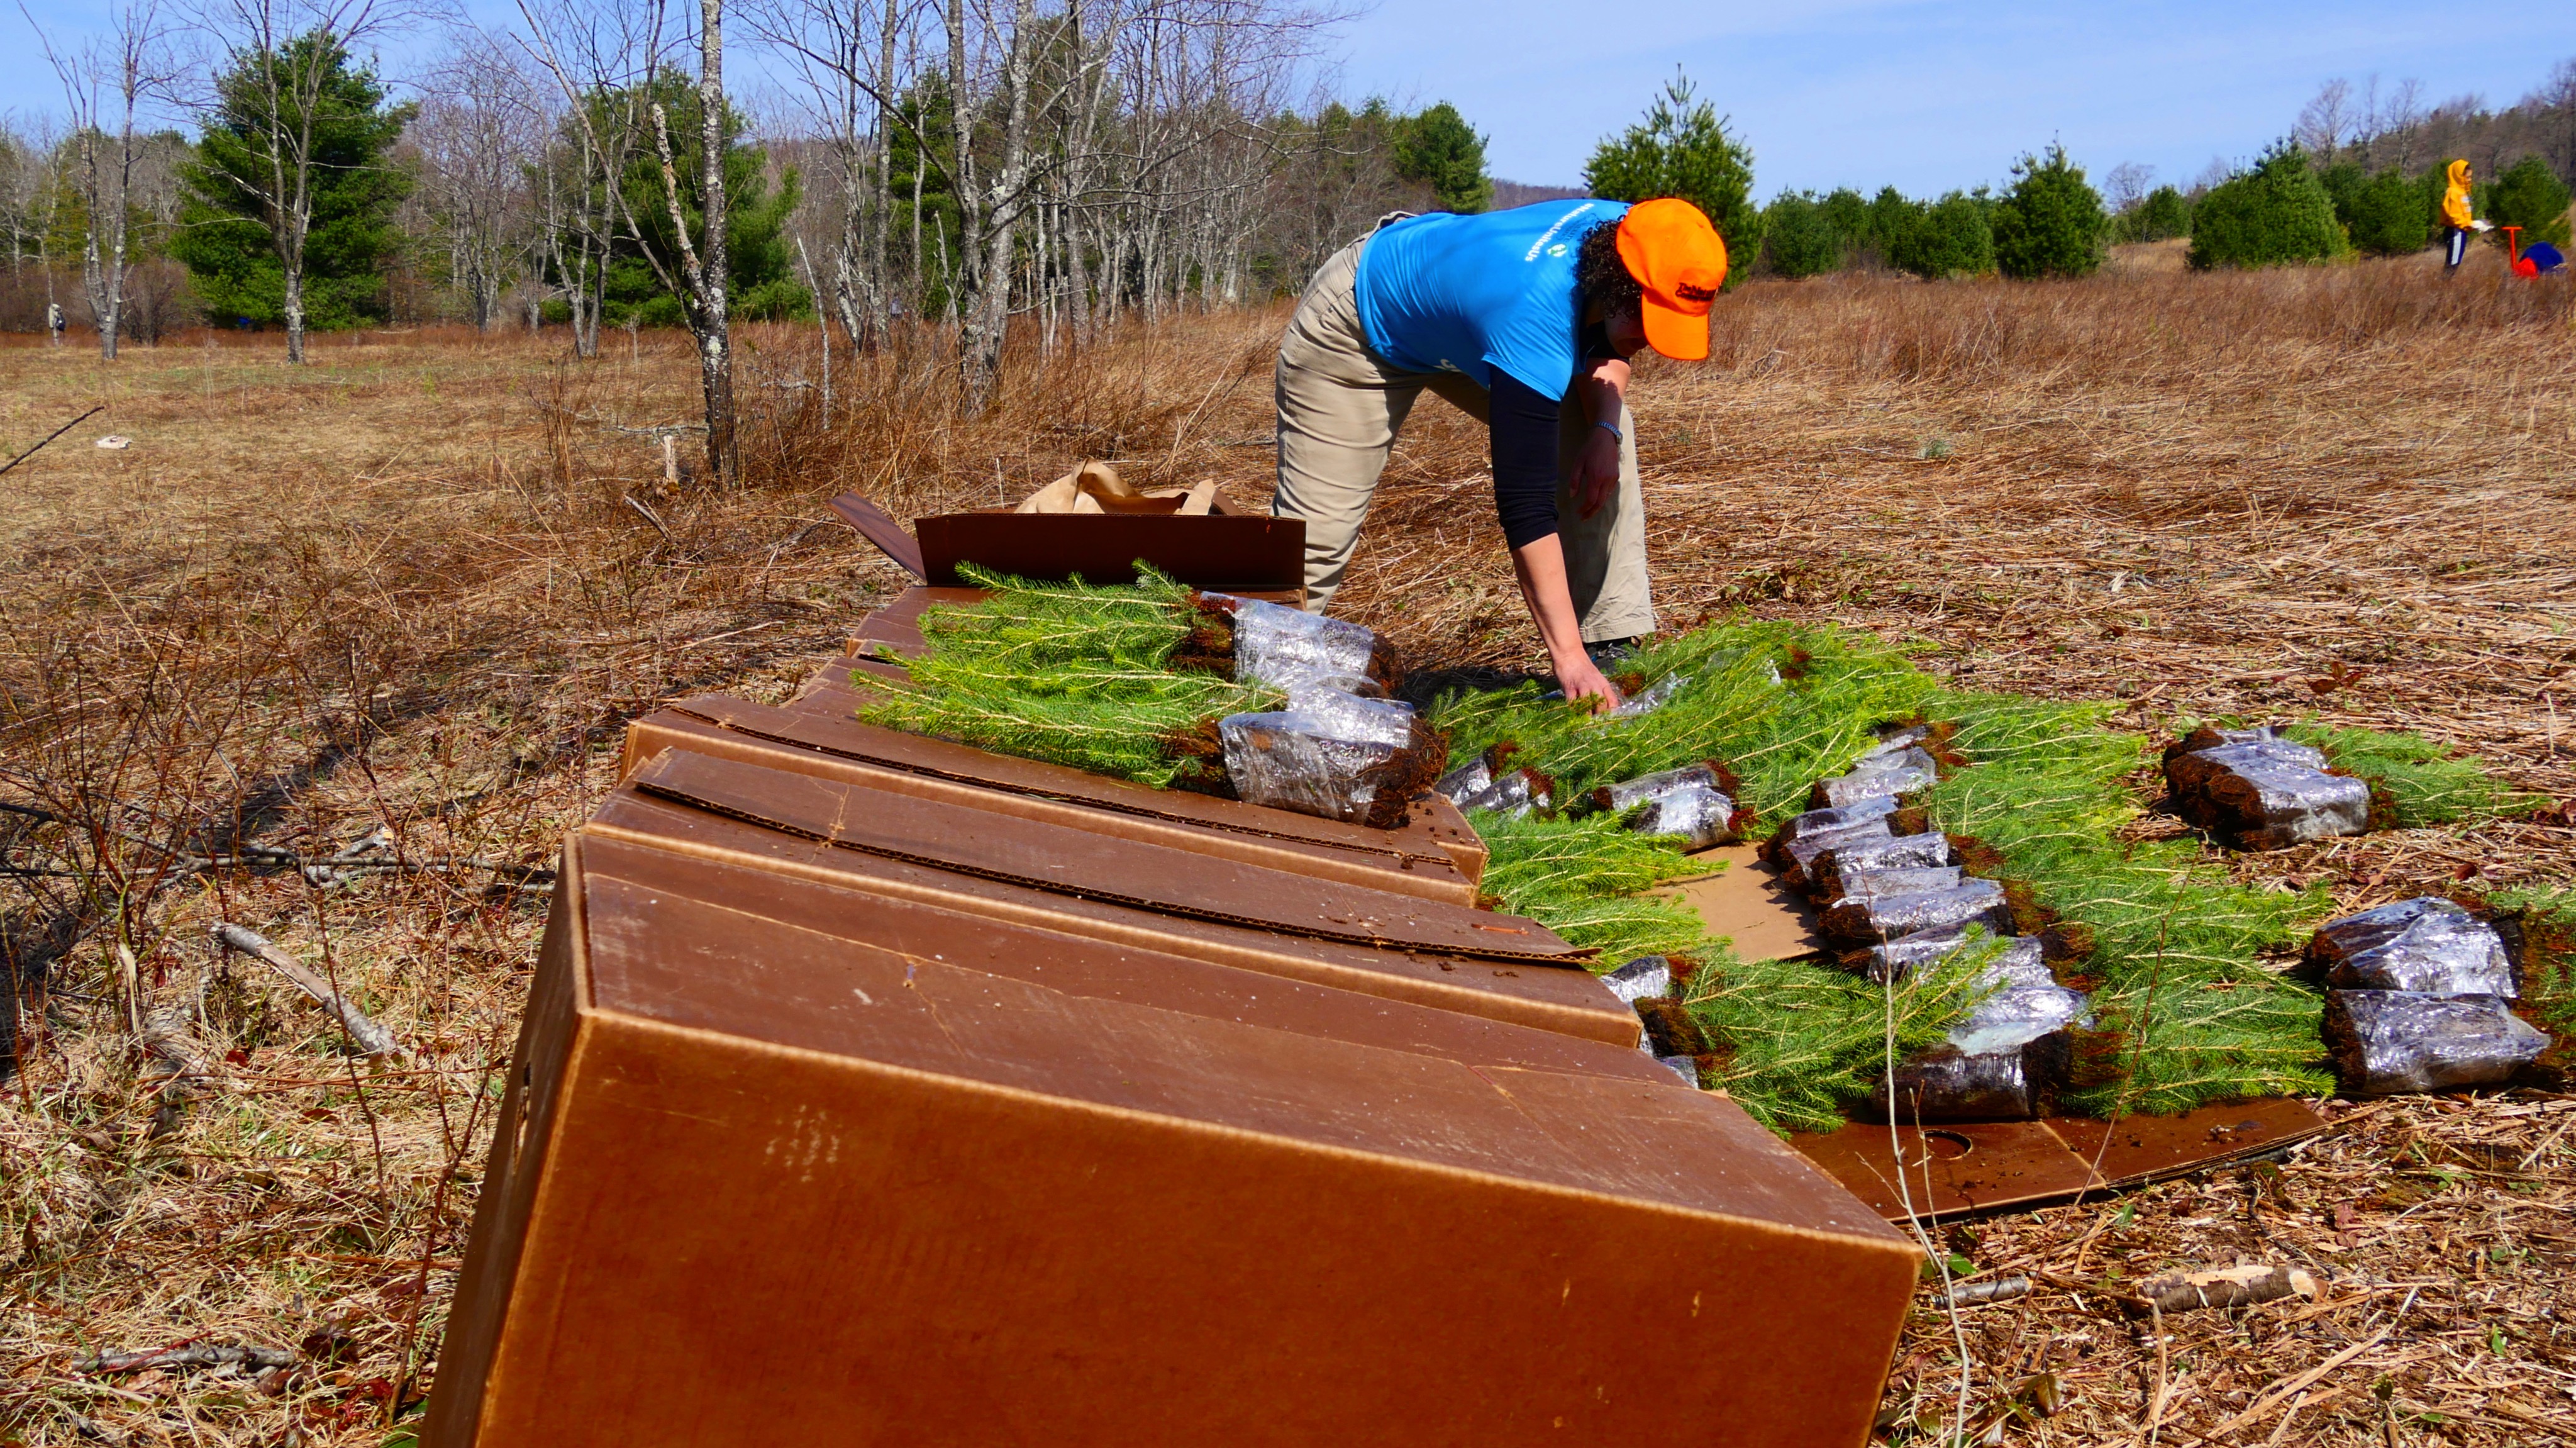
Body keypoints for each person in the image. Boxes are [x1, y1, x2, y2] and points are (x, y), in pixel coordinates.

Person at [1271, 196, 1726, 710]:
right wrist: (1564, 656)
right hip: (1361, 325)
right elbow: (1525, 505)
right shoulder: (1535, 309)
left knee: (1606, 429)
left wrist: (1604, 429)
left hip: (1466, 318)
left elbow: (1610, 345)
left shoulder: (1650, 238)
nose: (1651, 341)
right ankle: (1250, 682)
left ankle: (1609, 642)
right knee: (1315, 540)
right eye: (1650, 321)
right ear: (1618, 281)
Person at [2440, 159, 2493, 274]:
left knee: (2456, 261)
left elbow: (2464, 215)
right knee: (2453, 264)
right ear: (2459, 176)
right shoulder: (2453, 192)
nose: (2470, 180)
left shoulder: (2463, 192)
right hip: (2456, 231)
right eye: (2467, 177)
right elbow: (2455, 217)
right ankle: (2445, 286)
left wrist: (2476, 224)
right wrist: (2471, 224)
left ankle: (2446, 285)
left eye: (2470, 177)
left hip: (2462, 231)